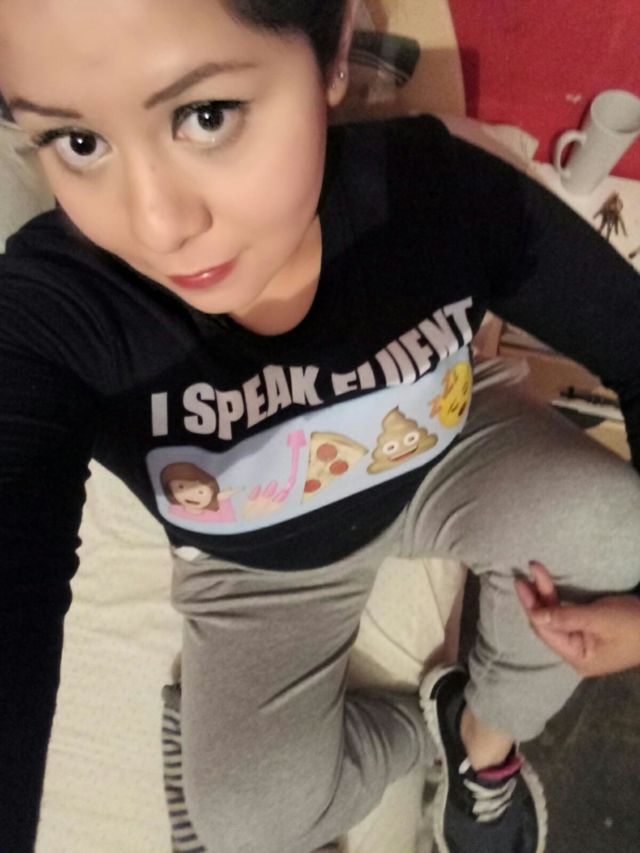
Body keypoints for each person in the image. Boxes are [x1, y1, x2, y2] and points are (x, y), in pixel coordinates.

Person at [0, 1, 639, 851]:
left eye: (206, 115)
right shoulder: (54, 313)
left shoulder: (434, 195)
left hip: (435, 452)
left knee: (616, 530)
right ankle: (433, 728)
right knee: (248, 823)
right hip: (257, 559)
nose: (158, 226)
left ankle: (484, 746)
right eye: (79, 141)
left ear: (334, 51)